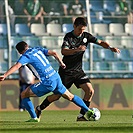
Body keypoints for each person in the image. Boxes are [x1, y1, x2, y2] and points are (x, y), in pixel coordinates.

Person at [35, 17, 120, 121]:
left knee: (90, 91)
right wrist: (76, 50)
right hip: (66, 72)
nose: (82, 31)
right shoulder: (68, 37)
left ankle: (81, 116)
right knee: (57, 96)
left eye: (83, 29)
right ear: (74, 26)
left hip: (78, 71)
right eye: (80, 29)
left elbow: (100, 42)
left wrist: (110, 47)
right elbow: (63, 51)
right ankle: (39, 108)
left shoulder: (86, 36)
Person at [0, 41, 94, 122]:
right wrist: (61, 63)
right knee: (70, 96)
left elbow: (17, 66)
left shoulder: (26, 56)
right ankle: (88, 110)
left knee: (24, 95)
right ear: (27, 46)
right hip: (56, 77)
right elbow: (54, 53)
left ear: (20, 52)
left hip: (47, 82)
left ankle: (34, 118)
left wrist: (5, 75)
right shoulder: (37, 49)